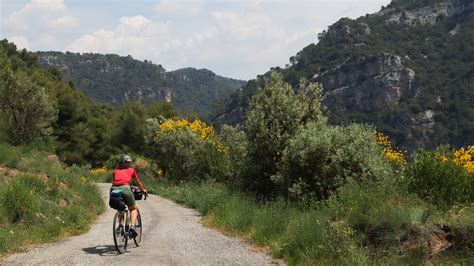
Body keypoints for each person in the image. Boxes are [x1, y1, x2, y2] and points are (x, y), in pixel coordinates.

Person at [110, 154, 147, 237]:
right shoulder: (131, 170)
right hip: (126, 189)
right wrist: (143, 190)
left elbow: (115, 182)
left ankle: (120, 225)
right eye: (129, 163)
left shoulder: (115, 171)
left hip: (113, 189)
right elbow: (137, 182)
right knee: (133, 208)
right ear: (128, 163)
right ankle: (132, 226)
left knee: (121, 208)